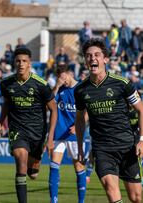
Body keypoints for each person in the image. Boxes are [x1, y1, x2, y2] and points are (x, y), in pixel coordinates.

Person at [74, 38, 143, 203]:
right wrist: (80, 147)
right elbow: (79, 120)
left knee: (136, 197)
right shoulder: (80, 90)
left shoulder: (122, 84)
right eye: (88, 56)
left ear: (105, 59)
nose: (92, 58)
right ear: (85, 61)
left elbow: (142, 110)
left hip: (127, 146)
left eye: (97, 55)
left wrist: (142, 140)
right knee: (110, 188)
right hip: (102, 149)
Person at [0, 47, 58, 203]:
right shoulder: (6, 83)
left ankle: (37, 158)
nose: (21, 64)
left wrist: (50, 138)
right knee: (20, 162)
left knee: (33, 174)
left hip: (38, 132)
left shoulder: (41, 84)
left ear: (30, 64)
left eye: (24, 61)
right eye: (18, 61)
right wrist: (1, 124)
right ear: (14, 63)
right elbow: (7, 105)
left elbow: (54, 110)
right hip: (17, 129)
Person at [49, 64, 87, 203]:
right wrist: (57, 86)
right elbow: (49, 103)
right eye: (59, 78)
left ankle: (81, 201)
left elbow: (88, 110)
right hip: (60, 133)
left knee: (79, 166)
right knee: (54, 164)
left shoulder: (81, 88)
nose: (62, 81)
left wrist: (78, 126)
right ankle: (53, 201)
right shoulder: (60, 89)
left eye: (63, 77)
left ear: (70, 73)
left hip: (75, 134)